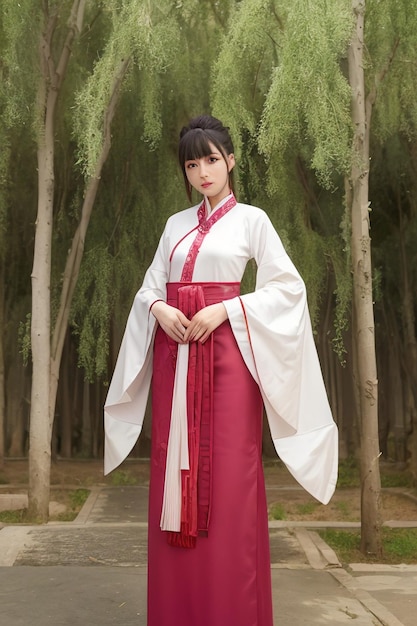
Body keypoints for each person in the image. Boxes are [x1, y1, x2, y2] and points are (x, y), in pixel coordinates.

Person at [104, 115, 338, 626]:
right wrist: (158, 309)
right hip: (175, 363)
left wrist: (227, 310)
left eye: (212, 159)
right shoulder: (174, 226)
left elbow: (286, 289)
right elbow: (149, 287)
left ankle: (232, 610)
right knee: (173, 472)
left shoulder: (253, 220)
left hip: (230, 366)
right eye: (192, 163)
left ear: (231, 161)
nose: (203, 171)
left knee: (230, 481)